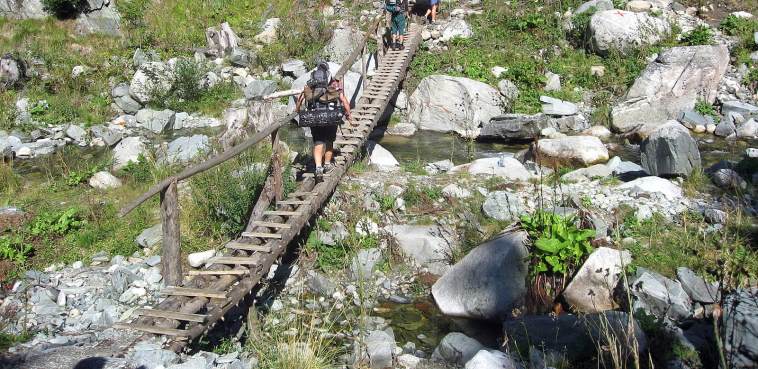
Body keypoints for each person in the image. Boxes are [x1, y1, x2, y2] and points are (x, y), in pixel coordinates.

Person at [296, 63, 353, 178]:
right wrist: (348, 115)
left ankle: (318, 167)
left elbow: (300, 99)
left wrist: (298, 110)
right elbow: (344, 101)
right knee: (329, 141)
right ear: (328, 73)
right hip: (331, 117)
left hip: (315, 118)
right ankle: (327, 164)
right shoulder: (335, 84)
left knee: (318, 142)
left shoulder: (310, 85)